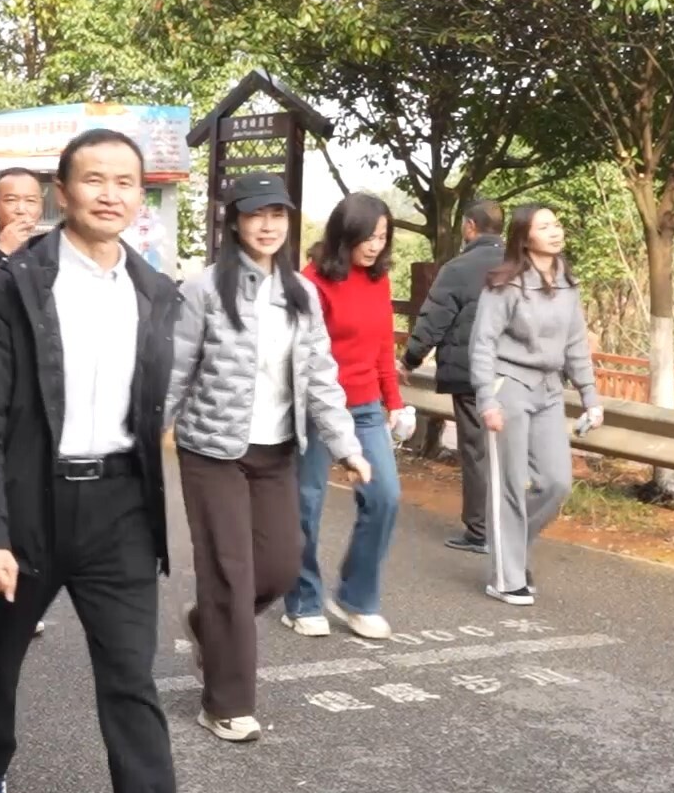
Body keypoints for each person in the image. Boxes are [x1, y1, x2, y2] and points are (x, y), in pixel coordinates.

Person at [0, 129, 182, 793]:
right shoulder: (13, 288)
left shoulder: (156, 292)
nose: (110, 194)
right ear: (64, 191)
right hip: (30, 503)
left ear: (140, 197)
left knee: (131, 677)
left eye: (124, 182)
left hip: (122, 508)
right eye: (94, 179)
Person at [167, 174, 369, 743]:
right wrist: (142, 440)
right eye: (256, 214)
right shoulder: (204, 289)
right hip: (212, 450)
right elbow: (175, 370)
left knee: (280, 566)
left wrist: (347, 446)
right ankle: (225, 704)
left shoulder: (301, 293)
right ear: (234, 222)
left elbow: (322, 376)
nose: (267, 225)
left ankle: (209, 624)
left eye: (277, 214)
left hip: (277, 451)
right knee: (230, 573)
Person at [283, 192, 407, 642]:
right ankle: (302, 600)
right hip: (318, 407)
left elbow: (382, 346)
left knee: (385, 496)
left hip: (366, 405)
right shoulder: (312, 282)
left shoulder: (378, 279)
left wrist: (394, 402)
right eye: (367, 237)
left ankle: (356, 598)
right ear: (344, 234)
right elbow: (303, 357)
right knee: (307, 503)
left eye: (383, 237)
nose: (375, 246)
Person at [469, 204, 604, 607]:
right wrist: (486, 399)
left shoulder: (567, 283)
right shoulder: (505, 284)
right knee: (509, 484)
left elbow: (576, 344)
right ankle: (506, 577)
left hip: (549, 390)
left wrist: (590, 397)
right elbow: (483, 343)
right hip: (508, 386)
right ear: (524, 237)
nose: (555, 231)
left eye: (556, 224)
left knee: (556, 482)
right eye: (544, 227)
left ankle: (510, 550)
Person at [401, 199, 504, 553]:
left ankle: (480, 530)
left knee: (476, 450)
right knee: (510, 451)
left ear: (470, 226)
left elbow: (434, 320)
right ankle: (512, 526)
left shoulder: (458, 268)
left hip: (472, 374)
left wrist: (410, 360)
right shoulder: (523, 264)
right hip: (517, 375)